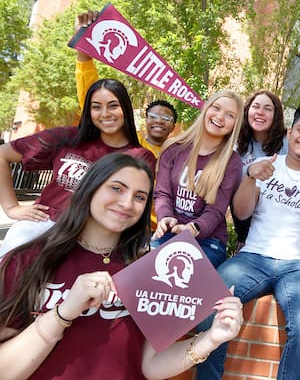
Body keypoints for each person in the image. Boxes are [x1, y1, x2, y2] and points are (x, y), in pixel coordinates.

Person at [0, 152, 243, 380]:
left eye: (140, 197)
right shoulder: (26, 261)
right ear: (90, 188)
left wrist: (210, 339)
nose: (127, 203)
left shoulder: (150, 269)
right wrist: (62, 313)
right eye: (116, 188)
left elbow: (150, 365)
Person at [195, 106, 300, 380]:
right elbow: (242, 213)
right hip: (253, 257)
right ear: (290, 133)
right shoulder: (267, 165)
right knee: (209, 307)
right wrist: (250, 177)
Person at [0, 78, 156, 256]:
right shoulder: (66, 137)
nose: (105, 114)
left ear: (125, 108)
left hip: (92, 240)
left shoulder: (140, 157)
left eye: (113, 106)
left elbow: (134, 207)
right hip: (41, 227)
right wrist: (12, 208)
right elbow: (3, 154)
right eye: (96, 107)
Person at [151, 90, 244, 268]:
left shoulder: (232, 162)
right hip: (170, 232)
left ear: (235, 125)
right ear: (206, 108)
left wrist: (194, 228)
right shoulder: (173, 148)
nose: (220, 116)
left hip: (208, 240)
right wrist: (165, 217)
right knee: (145, 272)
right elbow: (162, 193)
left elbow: (216, 211)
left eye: (230, 115)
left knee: (187, 275)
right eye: (216, 108)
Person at [75, 11, 178, 158]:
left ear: (173, 126)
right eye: (153, 116)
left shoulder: (179, 156)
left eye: (166, 118)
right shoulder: (129, 142)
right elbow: (90, 96)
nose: (159, 121)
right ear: (145, 120)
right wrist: (83, 45)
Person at [233, 90, 288, 248]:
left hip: (276, 221)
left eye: (267, 109)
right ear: (247, 111)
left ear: (276, 116)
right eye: (255, 106)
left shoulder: (286, 144)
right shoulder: (236, 142)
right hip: (243, 218)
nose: (260, 112)